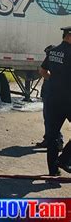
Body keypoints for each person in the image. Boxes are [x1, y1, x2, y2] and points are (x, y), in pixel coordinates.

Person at [39, 26, 71, 176]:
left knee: (52, 136)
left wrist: (54, 80)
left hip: (52, 99)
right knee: (53, 136)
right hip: (68, 100)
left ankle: (53, 170)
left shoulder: (53, 51)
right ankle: (64, 159)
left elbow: (42, 71)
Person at [36, 45, 64, 151]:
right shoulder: (52, 64)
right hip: (48, 94)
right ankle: (48, 139)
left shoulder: (56, 65)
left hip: (52, 95)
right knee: (47, 119)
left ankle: (57, 141)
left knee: (51, 120)